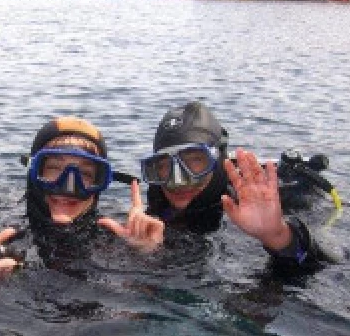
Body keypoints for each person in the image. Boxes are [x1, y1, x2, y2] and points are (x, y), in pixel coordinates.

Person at [133, 101, 335, 268]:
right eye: (165, 166)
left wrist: (279, 237)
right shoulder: (151, 217)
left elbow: (335, 267)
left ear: (219, 159)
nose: (178, 181)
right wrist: (144, 256)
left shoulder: (267, 208)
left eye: (195, 161)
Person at [0, 117, 165, 279]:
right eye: (54, 169)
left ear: (99, 184)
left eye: (85, 174)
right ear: (34, 173)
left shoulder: (118, 238)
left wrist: (147, 256)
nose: (68, 187)